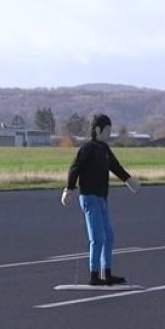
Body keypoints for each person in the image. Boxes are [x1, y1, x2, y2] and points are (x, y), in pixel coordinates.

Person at [60, 114, 140, 285]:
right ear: (98, 130)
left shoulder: (104, 149)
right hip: (89, 197)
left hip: (102, 198)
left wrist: (129, 180)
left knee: (109, 236)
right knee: (97, 237)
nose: (109, 134)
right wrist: (69, 189)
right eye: (107, 130)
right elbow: (75, 168)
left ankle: (107, 272)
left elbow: (116, 167)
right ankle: (94, 275)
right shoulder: (88, 148)